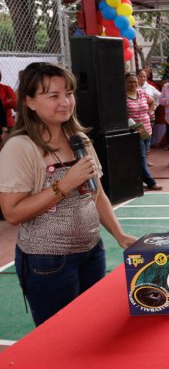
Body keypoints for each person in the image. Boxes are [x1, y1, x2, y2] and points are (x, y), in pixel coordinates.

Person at [0, 62, 137, 326]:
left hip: (91, 252)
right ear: (29, 101)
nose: (65, 102)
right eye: (53, 96)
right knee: (59, 337)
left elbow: (97, 195)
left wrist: (118, 234)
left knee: (91, 328)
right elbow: (12, 213)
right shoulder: (20, 147)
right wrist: (65, 183)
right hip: (47, 262)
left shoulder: (79, 140)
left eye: (69, 93)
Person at [125, 73, 162, 191]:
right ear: (125, 83)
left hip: (147, 129)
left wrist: (151, 112)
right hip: (134, 131)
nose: (133, 84)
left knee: (143, 156)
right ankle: (151, 182)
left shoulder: (142, 93)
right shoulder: (122, 97)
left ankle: (137, 181)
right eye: (130, 82)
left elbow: (152, 102)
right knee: (141, 157)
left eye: (135, 81)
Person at [0, 71, 17, 142]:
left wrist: (2, 104)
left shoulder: (5, 88)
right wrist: (7, 102)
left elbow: (14, 103)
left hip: (7, 125)